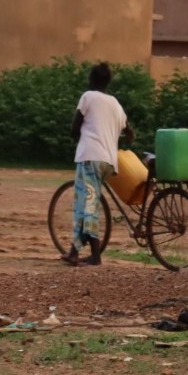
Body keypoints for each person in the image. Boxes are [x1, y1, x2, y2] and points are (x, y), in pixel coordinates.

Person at [61, 62, 134, 266]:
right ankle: (74, 251)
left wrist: (79, 138)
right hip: (109, 161)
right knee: (87, 202)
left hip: (90, 157)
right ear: (108, 82)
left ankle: (95, 255)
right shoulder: (115, 104)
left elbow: (74, 128)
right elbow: (130, 132)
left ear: (91, 80)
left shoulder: (88, 97)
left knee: (88, 205)